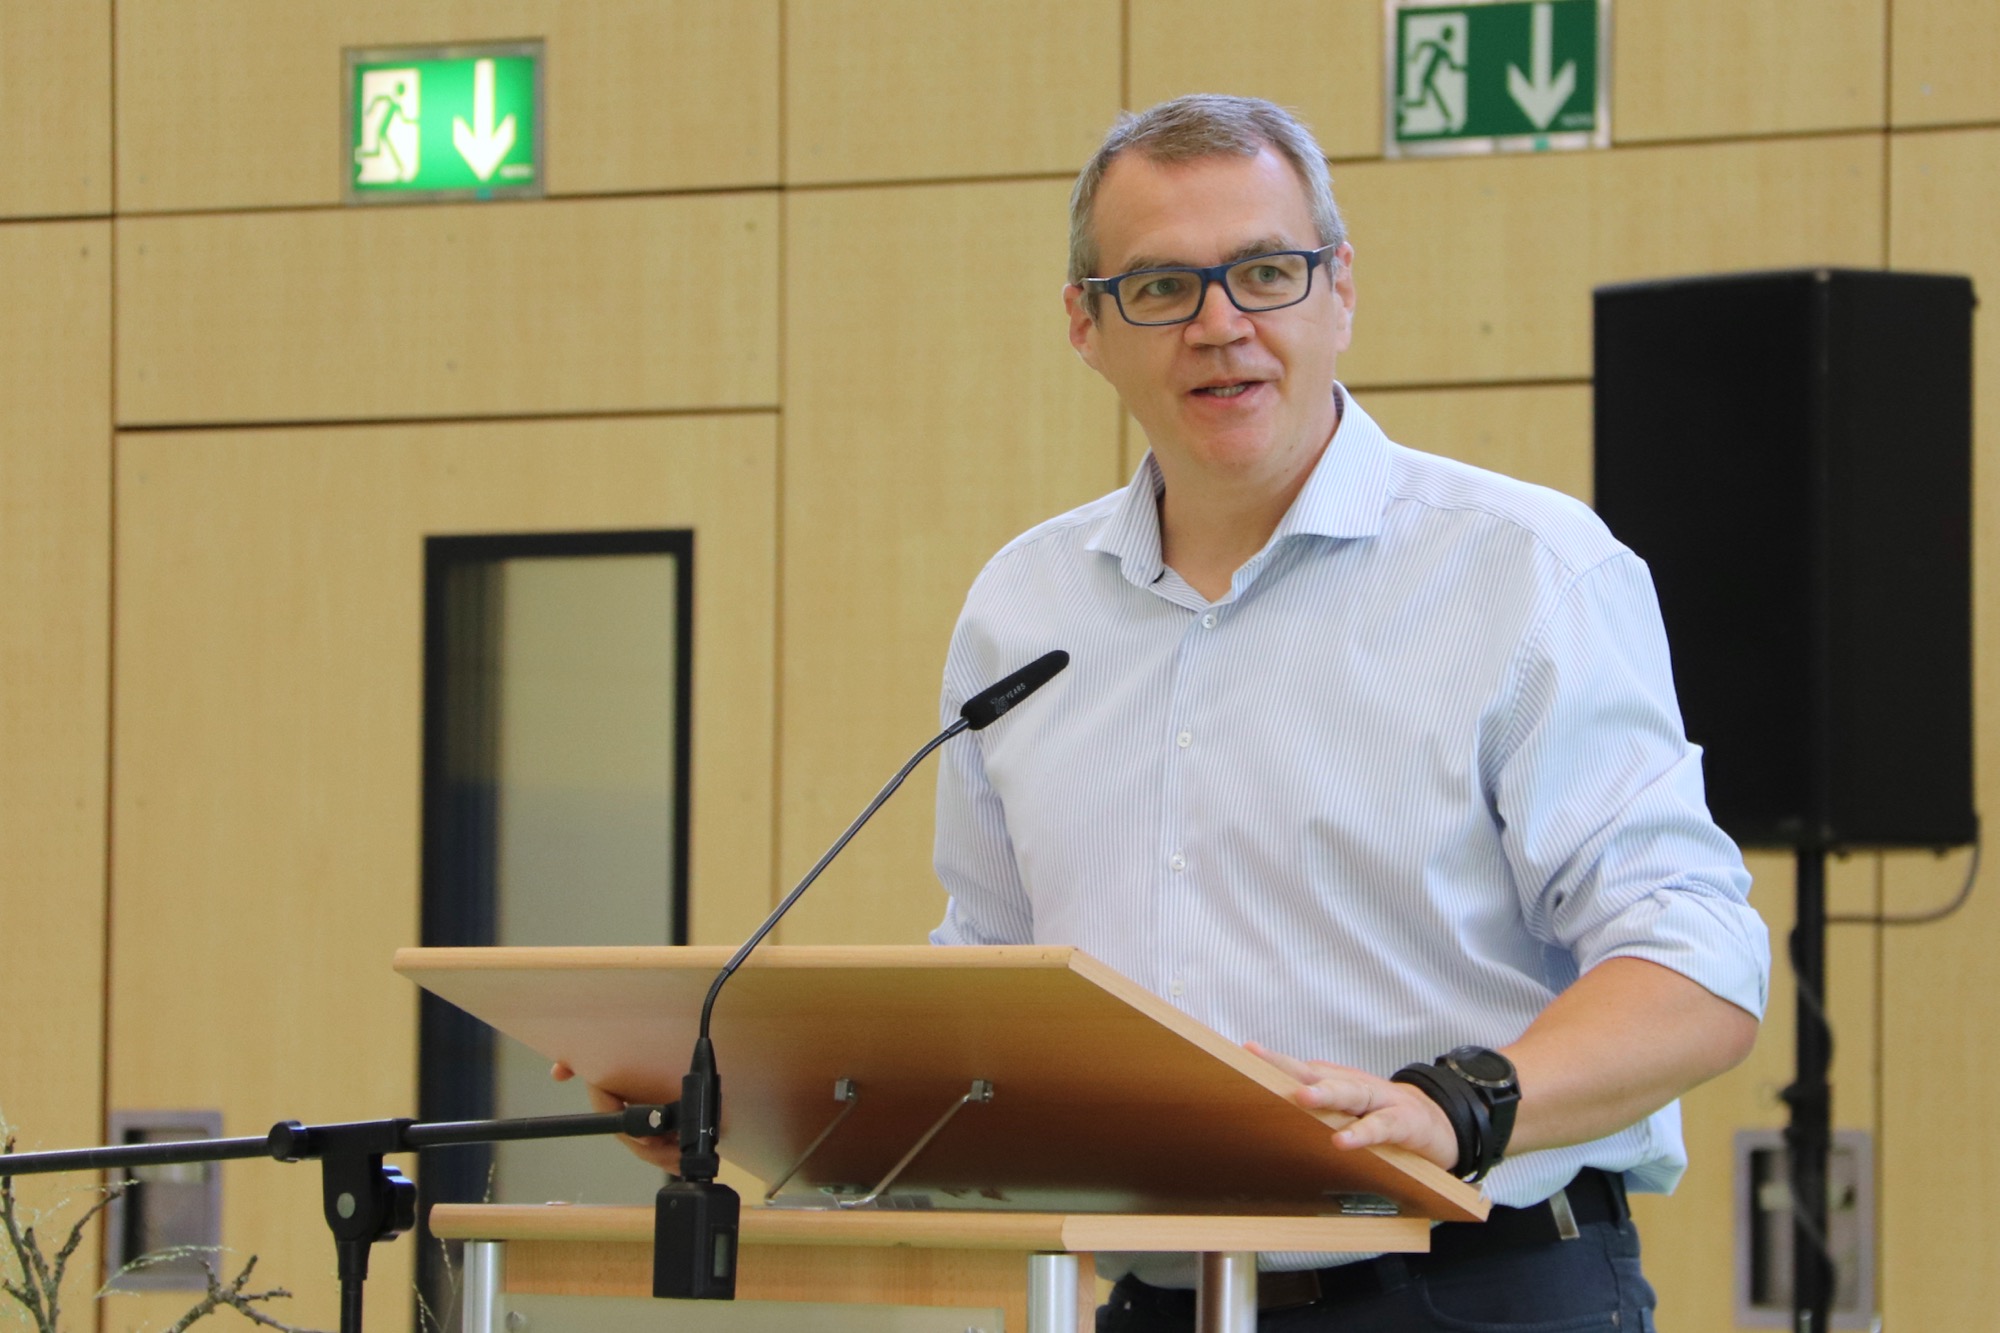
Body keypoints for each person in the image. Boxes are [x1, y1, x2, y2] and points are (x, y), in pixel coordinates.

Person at [928, 94, 1770, 1330]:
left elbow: (1696, 961)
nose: (1220, 325)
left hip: (1472, 1288)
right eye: (1159, 286)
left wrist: (1456, 1105)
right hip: (1157, 1297)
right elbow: (993, 980)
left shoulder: (1525, 572)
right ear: (1084, 325)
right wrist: (756, 1106)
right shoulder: (1021, 609)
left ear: (1339, 291)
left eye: (1265, 272)